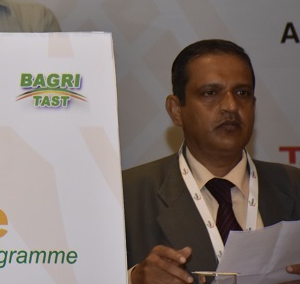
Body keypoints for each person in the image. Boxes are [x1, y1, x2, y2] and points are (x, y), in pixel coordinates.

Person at [123, 39, 300, 284]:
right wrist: (131, 279)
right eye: (210, 93)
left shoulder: (294, 186)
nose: (231, 106)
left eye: (242, 93)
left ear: (254, 105)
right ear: (176, 110)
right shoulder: (124, 194)